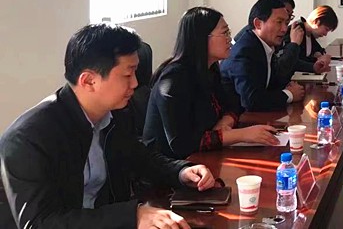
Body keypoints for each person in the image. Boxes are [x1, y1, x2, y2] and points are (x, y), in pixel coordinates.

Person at [0, 23, 216, 229]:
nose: (135, 83)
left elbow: (141, 158)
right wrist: (132, 216)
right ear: (88, 81)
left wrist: (181, 171)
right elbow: (41, 224)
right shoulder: (28, 139)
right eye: (127, 74)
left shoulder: (115, 113)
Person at [143, 7, 281, 159]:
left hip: (204, 157)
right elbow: (181, 143)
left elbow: (235, 103)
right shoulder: (174, 79)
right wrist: (240, 135)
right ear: (201, 38)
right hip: (171, 166)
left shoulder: (210, 68)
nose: (230, 39)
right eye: (224, 33)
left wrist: (226, 122)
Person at [221, 0, 306, 111]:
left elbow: (272, 83)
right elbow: (251, 100)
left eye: (286, 23)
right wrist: (289, 94)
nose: (284, 29)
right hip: (237, 118)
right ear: (258, 24)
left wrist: (288, 87)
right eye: (279, 22)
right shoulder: (245, 51)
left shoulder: (264, 45)